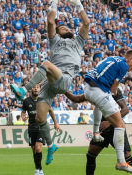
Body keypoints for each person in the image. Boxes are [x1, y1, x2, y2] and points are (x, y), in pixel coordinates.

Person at [10, 0, 89, 165]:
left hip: (64, 78)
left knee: (46, 63)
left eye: (67, 28)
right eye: (62, 28)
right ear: (58, 33)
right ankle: (51, 145)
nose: (66, 28)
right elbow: (50, 21)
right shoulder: (55, 41)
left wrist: (78, 5)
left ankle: (23, 90)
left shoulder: (78, 42)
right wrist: (54, 3)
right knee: (39, 118)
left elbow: (86, 23)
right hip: (49, 82)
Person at [75, 50, 132, 173]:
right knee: (120, 125)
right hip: (99, 89)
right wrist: (116, 94)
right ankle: (121, 162)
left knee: (99, 105)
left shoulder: (112, 58)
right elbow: (114, 89)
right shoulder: (124, 66)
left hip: (89, 87)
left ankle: (95, 132)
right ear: (130, 59)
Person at [65, 88, 132, 175]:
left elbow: (125, 110)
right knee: (90, 155)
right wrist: (62, 90)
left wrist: (109, 122)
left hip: (116, 127)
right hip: (102, 129)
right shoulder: (95, 89)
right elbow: (76, 99)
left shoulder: (115, 91)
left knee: (127, 158)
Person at [21, 84, 60, 175]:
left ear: (40, 89)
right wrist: (23, 117)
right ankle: (38, 169)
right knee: (34, 150)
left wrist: (55, 123)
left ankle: (40, 171)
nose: (35, 89)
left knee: (38, 148)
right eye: (34, 87)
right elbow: (23, 113)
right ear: (31, 89)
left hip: (41, 128)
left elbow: (51, 111)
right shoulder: (26, 101)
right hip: (31, 128)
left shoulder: (43, 100)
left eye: (37, 87)